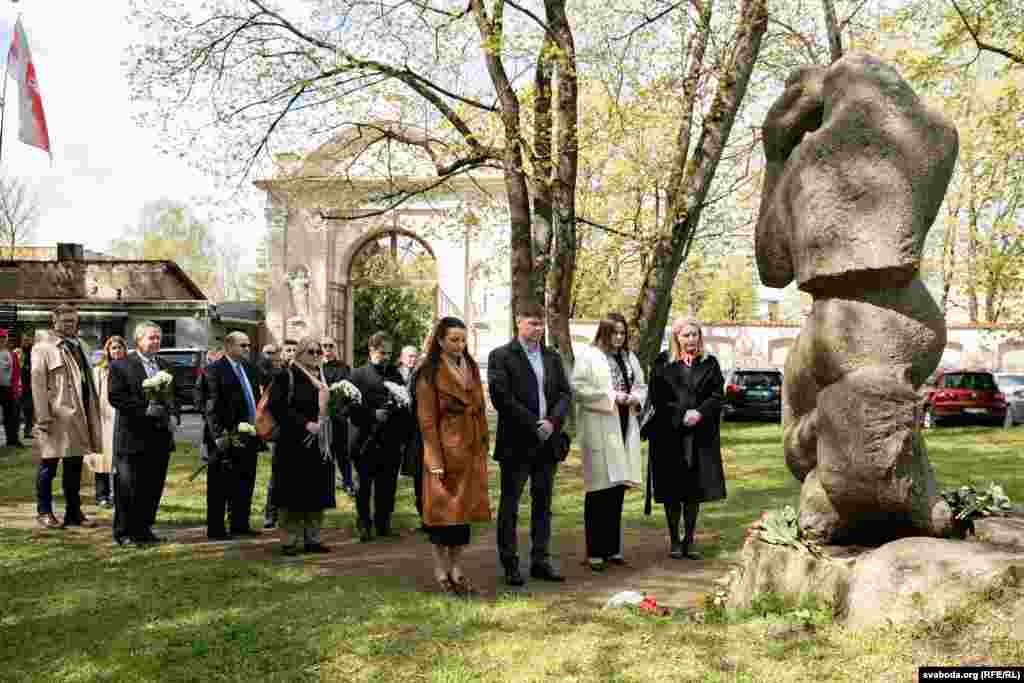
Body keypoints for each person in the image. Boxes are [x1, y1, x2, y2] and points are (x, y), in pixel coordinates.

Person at [488, 304, 573, 586]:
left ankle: (540, 560)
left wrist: (551, 422)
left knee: (543, 504)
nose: (538, 328)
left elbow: (563, 393)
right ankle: (510, 563)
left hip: (547, 441)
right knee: (510, 505)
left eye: (541, 324)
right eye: (532, 323)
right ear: (518, 321)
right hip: (517, 442)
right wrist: (532, 424)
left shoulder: (552, 356)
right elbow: (501, 397)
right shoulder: (501, 356)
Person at [415, 317, 491, 596]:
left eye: (463, 340)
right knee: (441, 515)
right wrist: (433, 459)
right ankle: (440, 570)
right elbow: (426, 420)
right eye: (454, 340)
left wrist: (483, 439)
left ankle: (457, 569)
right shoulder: (428, 370)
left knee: (463, 515)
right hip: (444, 450)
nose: (460, 345)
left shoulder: (470, 365)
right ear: (440, 341)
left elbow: (481, 406)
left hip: (469, 448)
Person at [644, 317, 725, 559]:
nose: (691, 339)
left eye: (695, 334)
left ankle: (690, 540)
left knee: (693, 489)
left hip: (699, 435)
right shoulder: (663, 363)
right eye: (686, 335)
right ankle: (674, 541)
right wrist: (681, 415)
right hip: (669, 435)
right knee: (672, 489)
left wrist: (699, 412)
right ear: (677, 337)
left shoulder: (710, 363)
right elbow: (657, 398)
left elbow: (717, 395)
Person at [571, 313, 646, 571]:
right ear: (603, 332)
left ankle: (613, 549)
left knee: (617, 492)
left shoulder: (628, 358)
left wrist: (635, 397)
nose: (618, 337)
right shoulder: (589, 356)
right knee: (598, 492)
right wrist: (612, 397)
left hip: (624, 427)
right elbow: (578, 389)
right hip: (600, 429)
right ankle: (595, 552)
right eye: (614, 332)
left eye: (622, 333)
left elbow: (641, 385)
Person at [31, 306, 103, 528]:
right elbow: (37, 384)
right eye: (65, 321)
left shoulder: (80, 344)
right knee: (48, 466)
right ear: (54, 321)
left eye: (73, 321)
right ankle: (44, 512)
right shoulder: (42, 348)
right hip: (55, 417)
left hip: (79, 416)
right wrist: (43, 417)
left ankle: (74, 512)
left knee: (74, 467)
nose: (70, 324)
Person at [108, 321, 177, 546]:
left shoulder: (165, 365)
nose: (156, 341)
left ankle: (144, 530)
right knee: (128, 488)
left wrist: (174, 415)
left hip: (159, 437)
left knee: (152, 486)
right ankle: (124, 533)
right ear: (139, 340)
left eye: (158, 337)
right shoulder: (122, 365)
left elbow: (173, 396)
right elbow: (115, 397)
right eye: (151, 337)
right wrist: (144, 409)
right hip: (132, 438)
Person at [267, 336, 335, 555]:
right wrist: (305, 424)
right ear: (299, 354)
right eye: (311, 352)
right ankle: (289, 539)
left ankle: (313, 538)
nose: (316, 356)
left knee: (316, 493)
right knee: (292, 494)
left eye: (319, 352)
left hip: (319, 445)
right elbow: (277, 407)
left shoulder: (323, 378)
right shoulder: (286, 375)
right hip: (293, 445)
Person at [350, 332, 413, 542]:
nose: (386, 356)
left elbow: (405, 403)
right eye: (382, 352)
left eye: (389, 353)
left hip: (391, 440)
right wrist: (372, 414)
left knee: (388, 485)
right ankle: (364, 523)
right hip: (366, 439)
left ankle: (383, 522)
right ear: (371, 350)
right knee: (364, 485)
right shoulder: (358, 375)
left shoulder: (395, 374)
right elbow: (349, 408)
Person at [204, 332, 265, 539]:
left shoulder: (249, 369)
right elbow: (211, 406)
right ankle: (216, 528)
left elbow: (256, 398)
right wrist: (218, 435)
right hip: (225, 436)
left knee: (245, 480)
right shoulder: (214, 370)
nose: (248, 349)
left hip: (248, 434)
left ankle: (240, 523)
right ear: (229, 346)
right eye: (243, 345)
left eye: (249, 345)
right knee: (220, 484)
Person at [87, 336, 128, 508]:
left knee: (122, 460)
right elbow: (93, 395)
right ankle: (101, 494)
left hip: (124, 417)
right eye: (113, 348)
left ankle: (120, 495)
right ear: (108, 351)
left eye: (119, 347)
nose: (116, 351)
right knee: (102, 458)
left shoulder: (130, 368)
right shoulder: (100, 370)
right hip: (104, 418)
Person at [321, 336, 355, 496]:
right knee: (324, 452)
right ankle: (326, 484)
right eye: (324, 346)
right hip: (320, 417)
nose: (327, 348)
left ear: (335, 348)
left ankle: (348, 482)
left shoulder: (344, 368)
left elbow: (348, 392)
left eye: (330, 346)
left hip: (338, 417)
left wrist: (343, 412)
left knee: (342, 452)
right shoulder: (317, 367)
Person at [0, 329, 22, 448]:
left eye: (4, 338)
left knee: (11, 416)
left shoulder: (11, 354)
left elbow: (17, 372)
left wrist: (17, 388)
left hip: (8, 388)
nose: (2, 341)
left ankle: (12, 440)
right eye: (1, 338)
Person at [16, 332, 33, 441]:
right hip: (19, 385)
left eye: (28, 340)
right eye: (24, 340)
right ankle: (15, 433)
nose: (26, 341)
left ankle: (27, 431)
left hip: (30, 386)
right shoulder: (18, 352)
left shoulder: (34, 353)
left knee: (29, 410)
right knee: (17, 411)